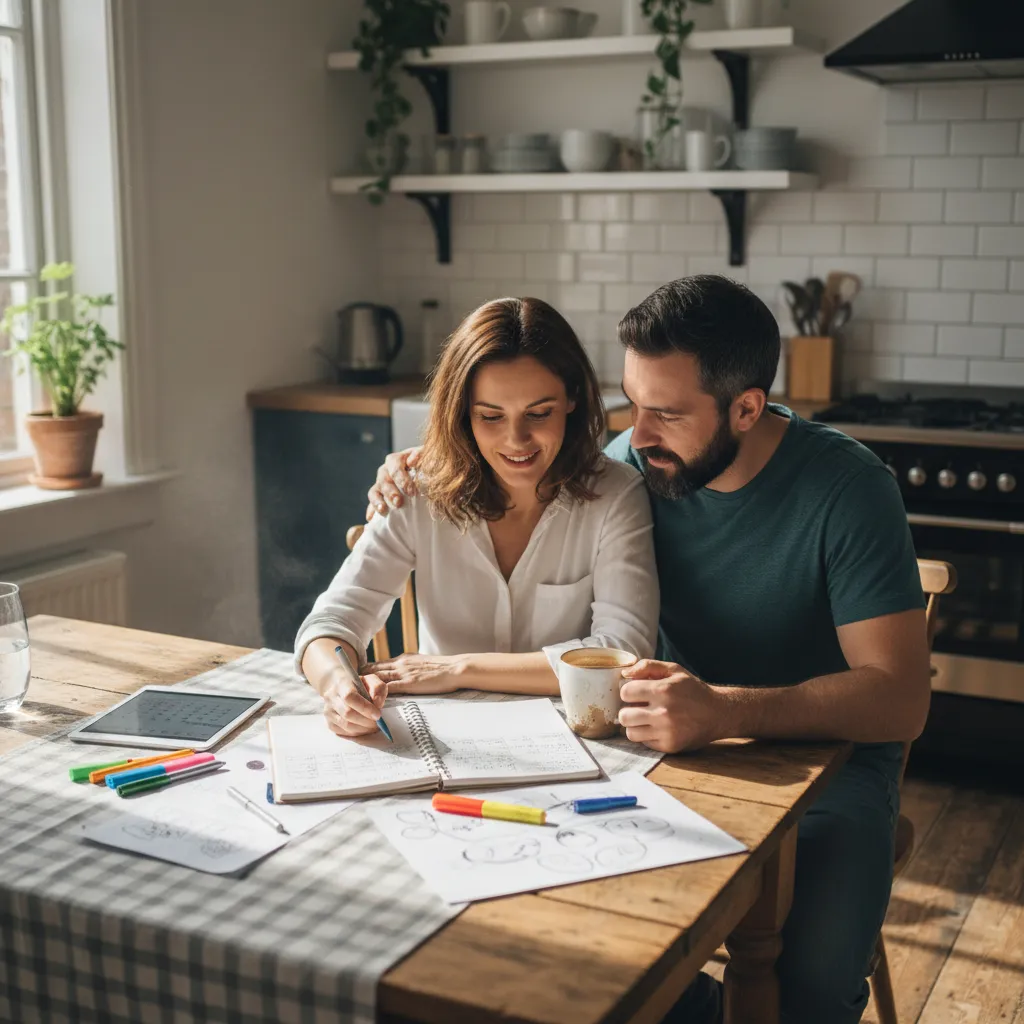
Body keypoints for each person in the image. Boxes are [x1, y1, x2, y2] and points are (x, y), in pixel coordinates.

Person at [367, 276, 930, 1024]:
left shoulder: (849, 489)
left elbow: (898, 698)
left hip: (828, 768)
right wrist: (418, 463)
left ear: (747, 407)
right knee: (573, 945)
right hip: (657, 751)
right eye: (633, 402)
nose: (640, 431)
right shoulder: (633, 463)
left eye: (667, 411)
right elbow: (511, 461)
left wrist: (723, 710)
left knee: (809, 991)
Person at [297, 296, 658, 738]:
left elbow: (623, 653)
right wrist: (337, 686)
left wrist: (459, 669)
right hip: (441, 740)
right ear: (463, 414)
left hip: (571, 739)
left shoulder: (616, 495)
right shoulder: (417, 489)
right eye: (490, 416)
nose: (516, 440)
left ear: (573, 399)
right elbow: (332, 622)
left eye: (539, 413)